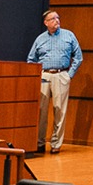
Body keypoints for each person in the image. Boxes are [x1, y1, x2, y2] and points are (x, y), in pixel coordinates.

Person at [26, 9, 82, 153]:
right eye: (52, 19)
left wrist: (69, 75)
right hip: (44, 76)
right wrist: (35, 76)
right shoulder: (40, 39)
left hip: (61, 75)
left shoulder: (68, 35)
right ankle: (39, 143)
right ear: (46, 23)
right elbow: (31, 60)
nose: (56, 21)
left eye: (57, 18)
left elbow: (78, 57)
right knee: (41, 111)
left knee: (59, 111)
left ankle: (56, 145)